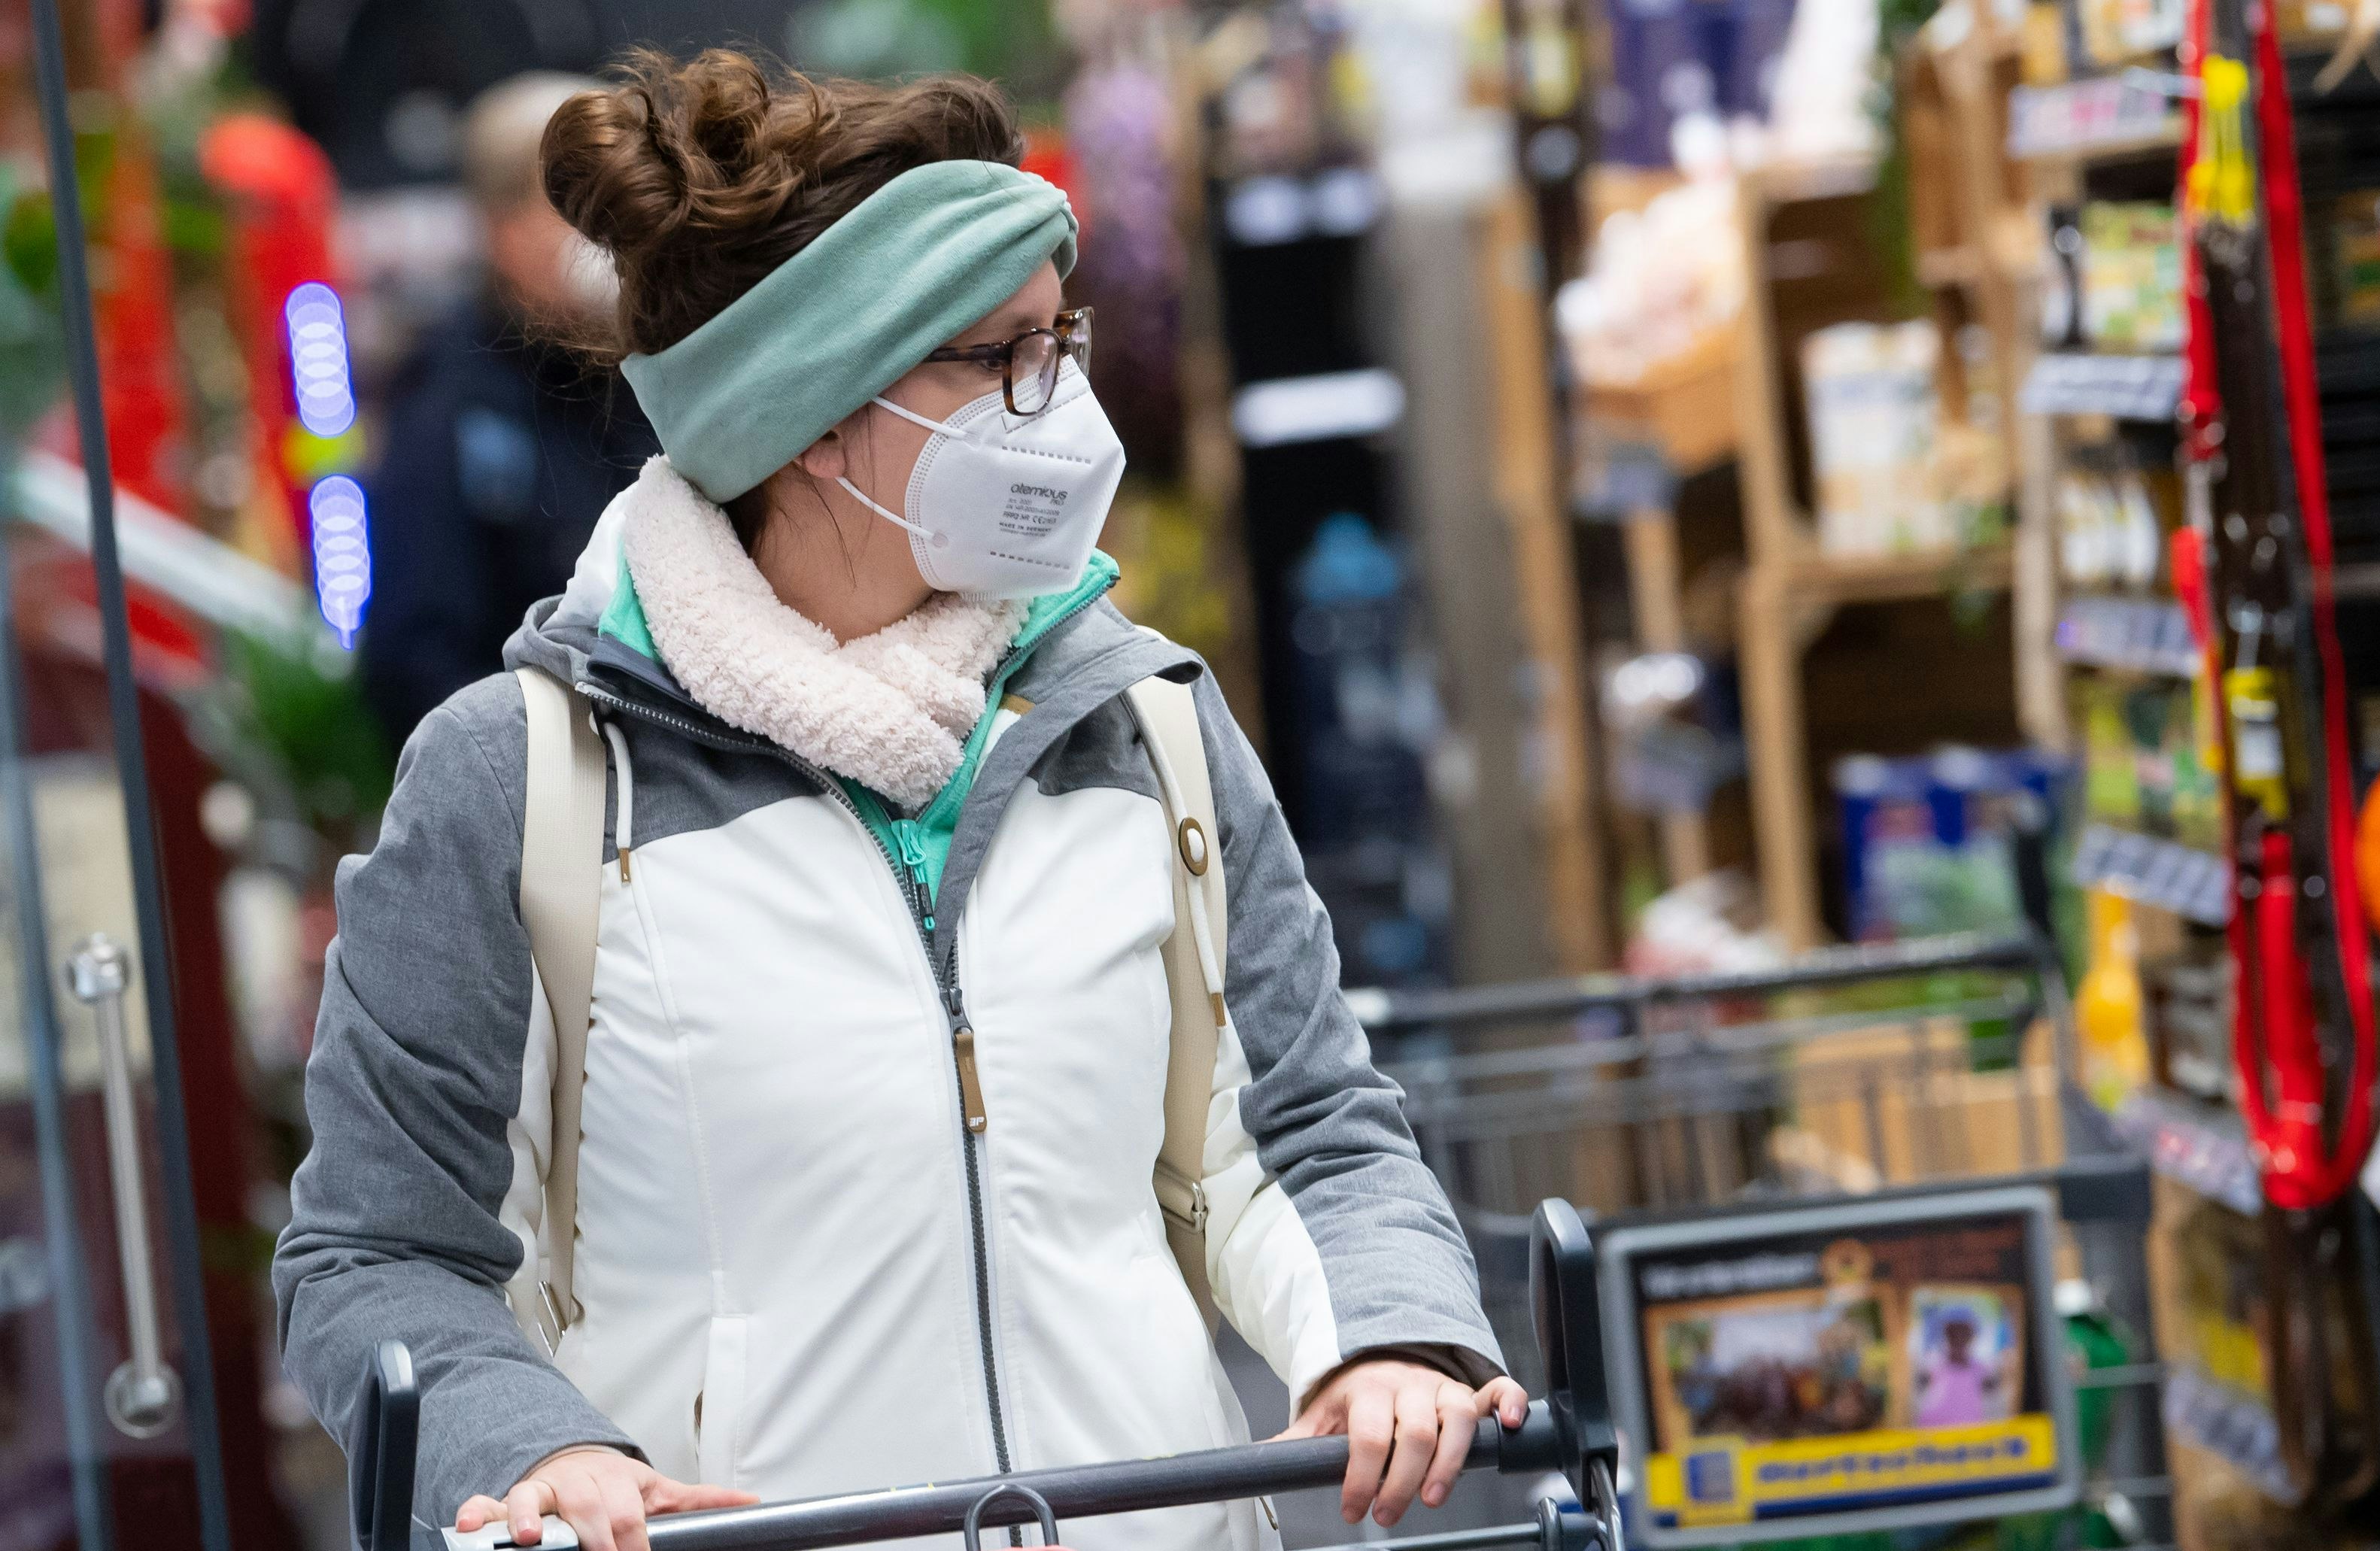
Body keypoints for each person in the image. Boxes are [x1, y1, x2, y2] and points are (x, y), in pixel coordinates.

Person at [273, 50, 1518, 1551]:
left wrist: (1387, 1332)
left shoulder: (1142, 720)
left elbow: (1304, 1131)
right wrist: (536, 1447)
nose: (1053, 405)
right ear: (808, 412)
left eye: (1055, 343)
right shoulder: (518, 783)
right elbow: (379, 1253)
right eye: (995, 359)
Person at [357, 71, 659, 745]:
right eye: (580, 202)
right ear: (501, 227)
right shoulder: (444, 402)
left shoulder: (657, 374)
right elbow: (413, 660)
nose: (612, 230)